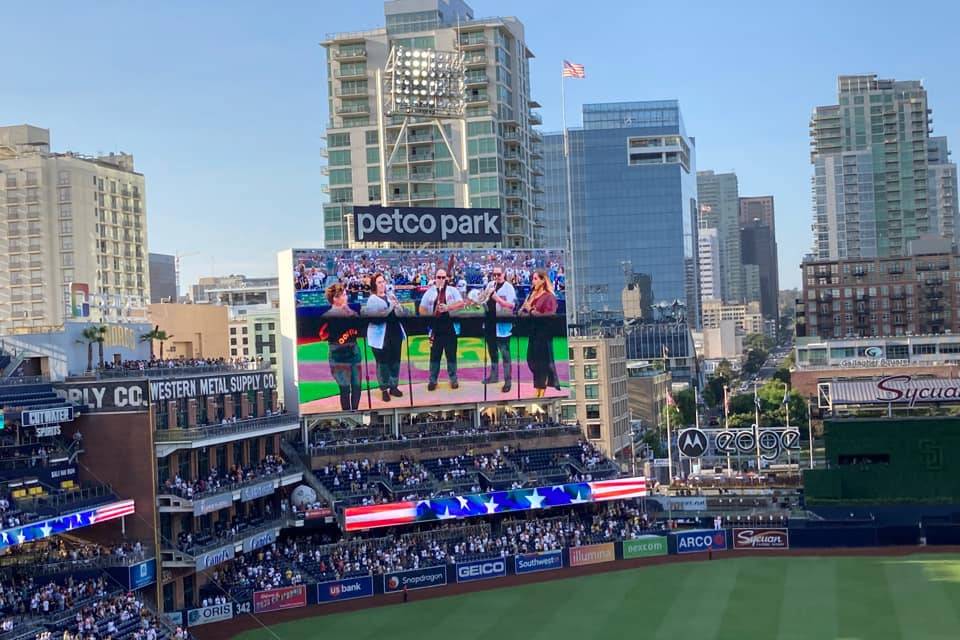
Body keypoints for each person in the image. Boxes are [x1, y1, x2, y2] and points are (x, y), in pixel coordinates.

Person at [418, 268, 466, 391]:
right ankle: (433, 380)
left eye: (443, 277)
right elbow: (421, 309)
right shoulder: (429, 292)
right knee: (434, 356)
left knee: (451, 356)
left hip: (450, 328)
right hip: (435, 329)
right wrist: (431, 315)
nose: (441, 280)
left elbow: (461, 303)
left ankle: (453, 379)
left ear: (446, 278)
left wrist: (448, 307)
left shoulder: (452, 290)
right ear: (435, 278)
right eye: (438, 277)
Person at [364, 273, 405, 402]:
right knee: (383, 364)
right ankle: (384, 389)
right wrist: (390, 307)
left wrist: (397, 306)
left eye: (383, 282)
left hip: (395, 333)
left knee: (395, 362)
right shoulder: (372, 299)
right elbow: (377, 318)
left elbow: (400, 314)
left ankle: (394, 386)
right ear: (374, 285)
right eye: (379, 282)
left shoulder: (390, 296)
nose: (382, 284)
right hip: (380, 337)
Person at [475, 266, 516, 393]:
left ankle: (508, 381)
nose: (496, 277)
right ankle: (494, 376)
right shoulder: (490, 284)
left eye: (499, 274)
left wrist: (497, 298)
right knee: (492, 352)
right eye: (494, 275)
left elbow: (511, 305)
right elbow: (482, 300)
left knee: (505, 354)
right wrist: (480, 297)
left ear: (504, 274)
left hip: (502, 325)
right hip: (489, 323)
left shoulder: (508, 288)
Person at [519, 269, 559, 398]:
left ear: (543, 280)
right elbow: (524, 313)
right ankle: (546, 379)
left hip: (544, 334)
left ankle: (540, 389)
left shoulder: (549, 297)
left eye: (536, 278)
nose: (533, 281)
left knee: (540, 362)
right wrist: (525, 308)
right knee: (531, 360)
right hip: (533, 333)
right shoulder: (532, 295)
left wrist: (530, 309)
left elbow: (548, 316)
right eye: (533, 278)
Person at [322, 283, 362, 411]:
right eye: (344, 295)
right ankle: (347, 413)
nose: (347, 297)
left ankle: (355, 411)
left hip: (354, 352)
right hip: (338, 354)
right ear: (335, 298)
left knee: (357, 386)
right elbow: (322, 335)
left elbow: (360, 328)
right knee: (345, 388)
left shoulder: (351, 313)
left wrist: (349, 311)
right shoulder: (327, 316)